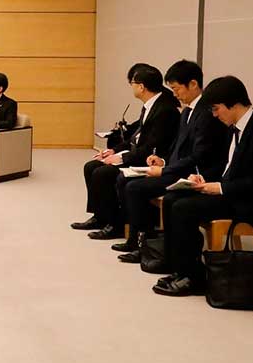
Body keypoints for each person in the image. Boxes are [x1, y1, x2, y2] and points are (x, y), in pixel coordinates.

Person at [154, 76, 253, 296]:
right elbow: (227, 167)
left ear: (233, 104)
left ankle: (193, 278)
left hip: (250, 200)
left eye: (216, 109)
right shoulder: (234, 128)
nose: (214, 115)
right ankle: (181, 268)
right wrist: (203, 179)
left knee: (184, 208)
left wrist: (221, 188)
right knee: (173, 199)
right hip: (233, 192)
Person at [114, 60, 229, 263]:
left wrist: (166, 171)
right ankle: (142, 242)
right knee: (128, 181)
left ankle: (147, 244)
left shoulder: (206, 113)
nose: (174, 94)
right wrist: (162, 161)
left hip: (194, 173)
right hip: (178, 168)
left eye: (176, 89)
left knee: (136, 188)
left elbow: (199, 155)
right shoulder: (187, 111)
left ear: (193, 84)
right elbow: (177, 147)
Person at [71, 63, 180, 240]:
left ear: (141, 86)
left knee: (103, 173)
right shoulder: (151, 105)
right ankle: (100, 216)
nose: (131, 87)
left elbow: (151, 147)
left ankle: (115, 223)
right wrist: (113, 150)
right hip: (140, 153)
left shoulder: (165, 110)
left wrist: (120, 158)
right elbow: (135, 138)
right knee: (90, 166)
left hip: (150, 159)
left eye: (133, 83)